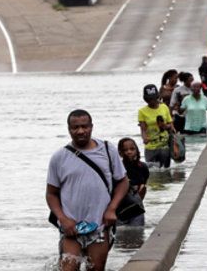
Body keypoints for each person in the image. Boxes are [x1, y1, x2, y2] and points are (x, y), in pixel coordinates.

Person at [46, 109, 129, 271]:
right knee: (68, 268)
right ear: (68, 129)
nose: (80, 131)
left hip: (100, 226)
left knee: (96, 269)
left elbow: (123, 182)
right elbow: (51, 194)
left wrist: (112, 209)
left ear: (92, 127)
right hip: (71, 229)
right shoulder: (59, 157)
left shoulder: (107, 150)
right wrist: (63, 218)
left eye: (85, 126)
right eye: (75, 127)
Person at [138, 84, 174, 168]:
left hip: (164, 146)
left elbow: (171, 125)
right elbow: (143, 129)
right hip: (150, 147)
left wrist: (165, 126)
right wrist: (144, 138)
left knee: (165, 170)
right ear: (145, 99)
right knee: (152, 172)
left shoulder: (164, 107)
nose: (152, 101)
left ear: (157, 96)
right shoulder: (142, 111)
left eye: (154, 98)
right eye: (149, 99)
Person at [117, 137, 149, 226]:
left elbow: (144, 184)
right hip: (121, 204)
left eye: (132, 149)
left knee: (137, 231)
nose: (129, 152)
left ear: (136, 150)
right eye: (125, 150)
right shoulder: (118, 168)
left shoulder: (143, 167)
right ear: (120, 153)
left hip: (137, 203)